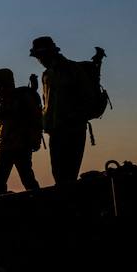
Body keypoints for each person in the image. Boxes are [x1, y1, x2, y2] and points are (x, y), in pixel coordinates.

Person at [30, 36, 92, 184]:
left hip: (73, 130)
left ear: (49, 53)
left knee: (68, 175)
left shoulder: (72, 70)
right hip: (55, 131)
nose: (39, 60)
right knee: (59, 176)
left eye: (40, 56)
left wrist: (73, 118)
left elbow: (87, 99)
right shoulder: (47, 75)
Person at [0, 68, 42, 194]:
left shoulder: (23, 97)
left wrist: (34, 138)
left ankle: (39, 203)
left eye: (0, 86)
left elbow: (35, 119)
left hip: (21, 146)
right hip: (4, 148)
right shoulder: (0, 102)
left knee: (27, 179)